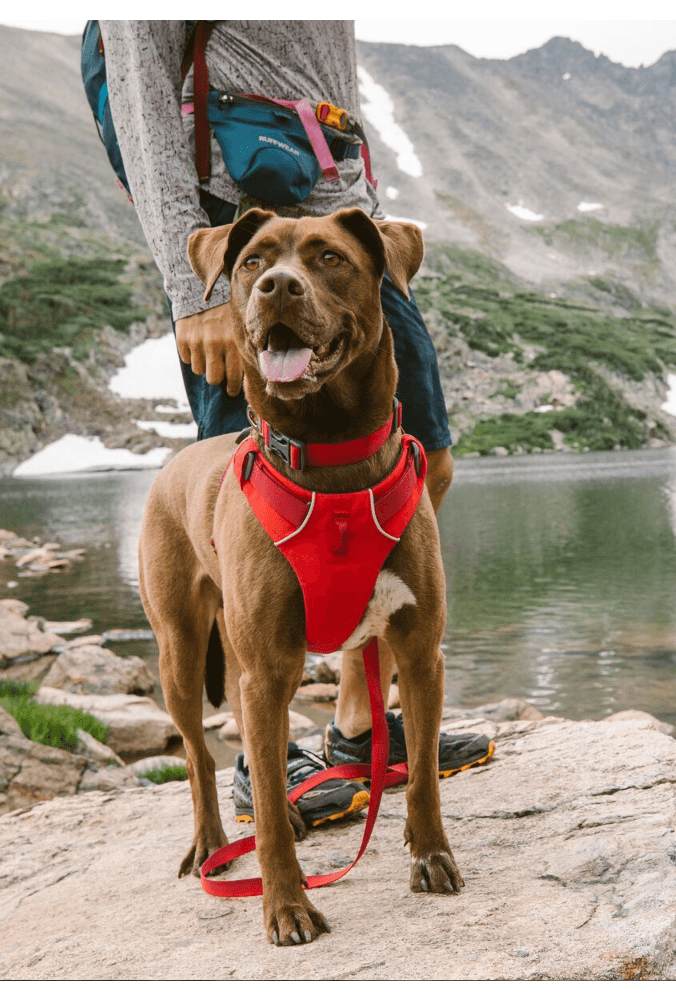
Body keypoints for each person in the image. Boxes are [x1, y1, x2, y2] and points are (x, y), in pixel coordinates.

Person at [99, 20, 492, 827]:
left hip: (342, 216)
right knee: (247, 523)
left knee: (426, 462)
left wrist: (366, 219)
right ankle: (258, 763)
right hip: (234, 220)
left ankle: (355, 716)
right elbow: (141, 94)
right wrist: (196, 288)